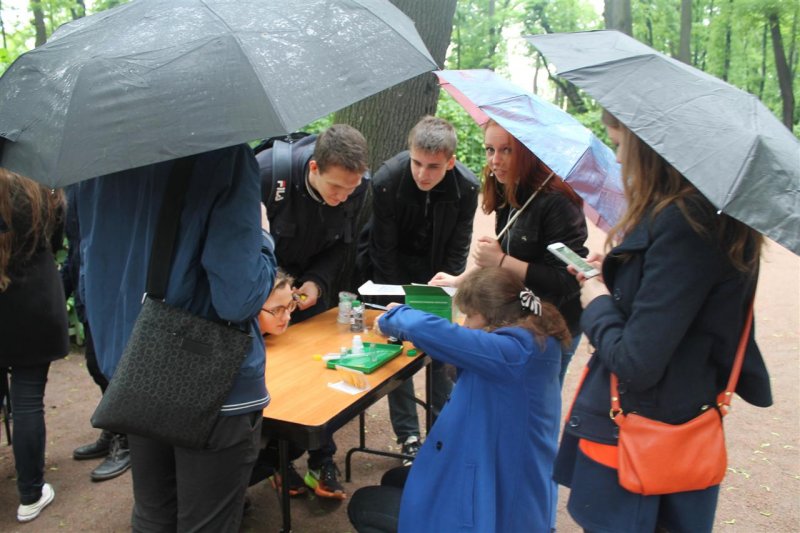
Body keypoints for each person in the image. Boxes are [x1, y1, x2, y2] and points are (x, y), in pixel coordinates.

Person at [552, 110, 772, 532]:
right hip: (671, 425)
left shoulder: (687, 223)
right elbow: (679, 309)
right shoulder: (707, 215)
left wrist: (596, 299)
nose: (617, 159)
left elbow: (637, 361)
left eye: (619, 144)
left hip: (641, 435)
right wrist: (618, 272)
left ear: (651, 149)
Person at [77, 145, 277, 531]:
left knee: (154, 513)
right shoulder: (223, 154)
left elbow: (91, 269)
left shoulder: (96, 158)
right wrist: (264, 238)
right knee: (207, 522)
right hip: (211, 382)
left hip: (135, 366)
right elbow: (240, 298)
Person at [347, 267, 569, 532]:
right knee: (396, 478)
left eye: (468, 315)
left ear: (490, 316)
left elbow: (427, 328)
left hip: (495, 509)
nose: (464, 324)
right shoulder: (533, 341)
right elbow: (461, 344)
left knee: (363, 503)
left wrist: (395, 316)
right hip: (501, 477)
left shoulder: (513, 354)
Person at [256, 124, 369, 499]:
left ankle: (322, 459)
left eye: (351, 189)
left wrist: (318, 284)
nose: (343, 197)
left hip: (308, 295)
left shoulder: (356, 187)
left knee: (318, 375)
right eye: (336, 187)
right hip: (262, 301)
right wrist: (273, 293)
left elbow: (342, 247)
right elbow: (237, 244)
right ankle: (277, 461)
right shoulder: (268, 174)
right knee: (274, 380)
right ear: (315, 168)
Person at [358, 116, 479, 464]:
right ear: (409, 154)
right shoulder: (386, 180)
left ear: (451, 162)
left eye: (433, 167)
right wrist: (397, 298)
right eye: (417, 163)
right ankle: (408, 435)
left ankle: (443, 432)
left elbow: (459, 247)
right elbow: (383, 248)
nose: (423, 174)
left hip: (438, 270)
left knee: (442, 347)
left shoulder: (467, 187)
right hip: (390, 266)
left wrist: (447, 288)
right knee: (399, 348)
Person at [430, 119, 588, 383]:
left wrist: (501, 261)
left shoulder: (558, 202)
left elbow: (567, 280)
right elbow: (501, 250)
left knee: (536, 402)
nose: (495, 160)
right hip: (523, 320)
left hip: (556, 323)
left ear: (528, 152)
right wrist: (459, 280)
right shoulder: (508, 189)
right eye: (490, 149)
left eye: (507, 150)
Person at [0, 170, 68, 522]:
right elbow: (55, 240)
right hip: (32, 303)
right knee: (27, 400)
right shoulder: (39, 183)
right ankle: (30, 494)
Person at [61, 185, 130, 482]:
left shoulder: (114, 179)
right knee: (95, 363)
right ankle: (115, 427)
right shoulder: (76, 184)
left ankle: (128, 439)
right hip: (86, 282)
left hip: (114, 286)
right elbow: (75, 241)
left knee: (117, 368)